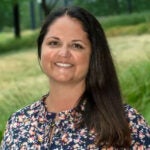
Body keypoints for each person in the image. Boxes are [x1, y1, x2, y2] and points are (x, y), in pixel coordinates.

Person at [1, 6, 149, 149]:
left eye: (76, 46)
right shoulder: (18, 123)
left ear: (94, 55)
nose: (64, 53)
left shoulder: (126, 122)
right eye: (54, 43)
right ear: (41, 49)